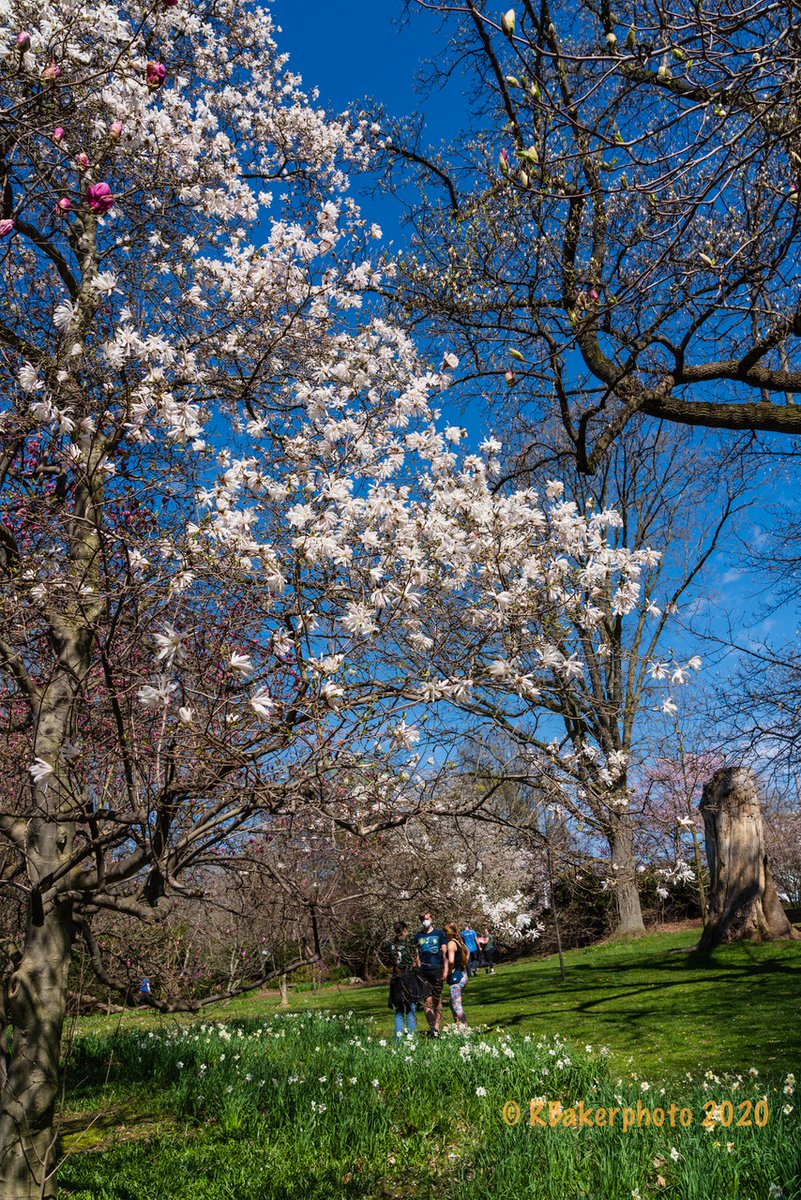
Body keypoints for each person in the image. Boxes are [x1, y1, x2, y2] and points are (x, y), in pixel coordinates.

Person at [384, 921, 424, 1038]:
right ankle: (412, 1037)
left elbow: (389, 961)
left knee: (399, 1011)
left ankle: (399, 1039)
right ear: (404, 930)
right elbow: (418, 963)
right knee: (411, 1009)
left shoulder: (390, 945)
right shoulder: (409, 945)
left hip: (396, 980)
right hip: (409, 978)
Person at [413, 910, 447, 1037]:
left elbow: (444, 953)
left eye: (427, 918)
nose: (425, 921)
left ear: (431, 918)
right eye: (422, 919)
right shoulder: (418, 936)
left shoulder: (439, 934)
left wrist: (446, 969)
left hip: (437, 968)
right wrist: (418, 966)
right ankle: (433, 1028)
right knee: (427, 1001)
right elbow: (416, 954)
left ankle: (437, 1027)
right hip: (423, 972)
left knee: (437, 999)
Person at [444, 923, 470, 1029]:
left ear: (448, 933)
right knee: (452, 1002)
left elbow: (450, 960)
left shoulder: (451, 944)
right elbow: (468, 952)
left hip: (456, 977)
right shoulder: (459, 943)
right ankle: (458, 1026)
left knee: (457, 1006)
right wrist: (464, 962)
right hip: (463, 975)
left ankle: (465, 1028)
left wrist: (449, 972)